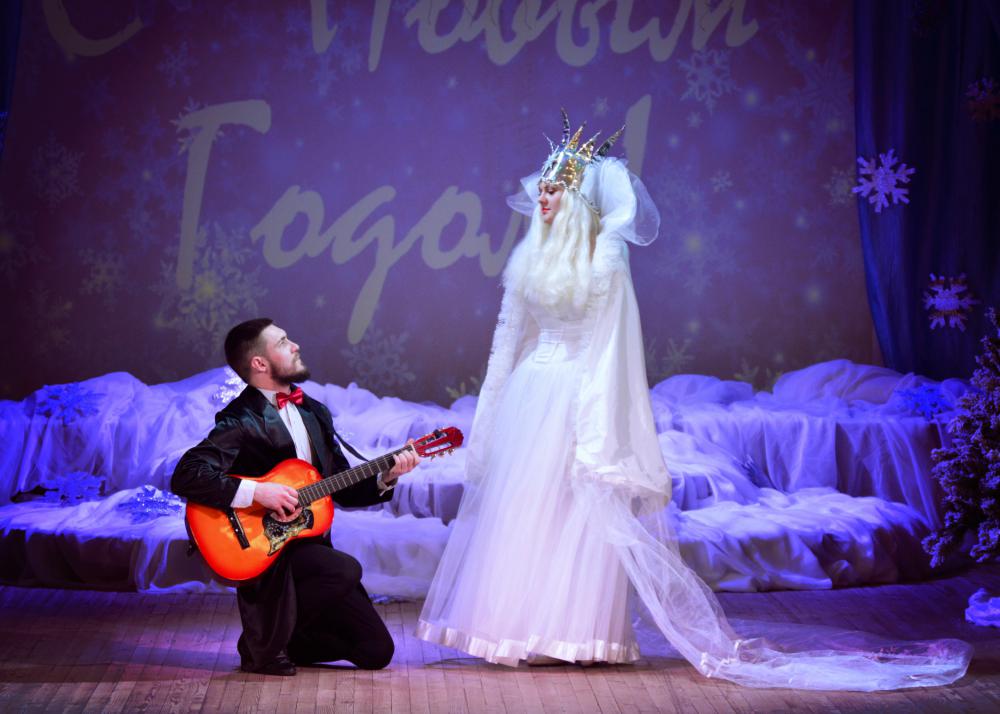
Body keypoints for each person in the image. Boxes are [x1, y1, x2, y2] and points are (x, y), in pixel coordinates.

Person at [416, 111, 972, 690]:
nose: (544, 197)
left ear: (579, 200)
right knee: (527, 507)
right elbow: (512, 338)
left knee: (578, 509)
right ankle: (512, 625)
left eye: (556, 189)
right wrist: (496, 409)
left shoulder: (605, 261)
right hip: (533, 394)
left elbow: (612, 346)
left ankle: (571, 631)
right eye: (544, 187)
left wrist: (597, 419)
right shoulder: (531, 256)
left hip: (577, 392)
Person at [172, 318, 419, 676]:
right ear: (260, 363)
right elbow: (187, 473)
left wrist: (386, 476)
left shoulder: (313, 411)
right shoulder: (240, 419)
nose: (295, 346)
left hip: (309, 544)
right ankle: (263, 641)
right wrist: (259, 492)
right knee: (345, 568)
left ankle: (272, 641)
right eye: (283, 342)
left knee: (376, 651)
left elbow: (340, 485)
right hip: (267, 548)